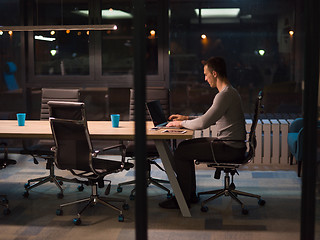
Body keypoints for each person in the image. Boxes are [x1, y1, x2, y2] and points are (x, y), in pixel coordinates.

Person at [159, 56, 247, 209]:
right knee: (184, 147)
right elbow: (210, 118)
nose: (205, 79)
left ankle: (183, 199)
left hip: (230, 149)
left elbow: (203, 123)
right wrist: (186, 118)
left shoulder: (224, 95)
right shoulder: (229, 92)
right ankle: (189, 195)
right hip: (232, 145)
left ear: (214, 73)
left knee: (181, 152)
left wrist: (180, 124)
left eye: (206, 74)